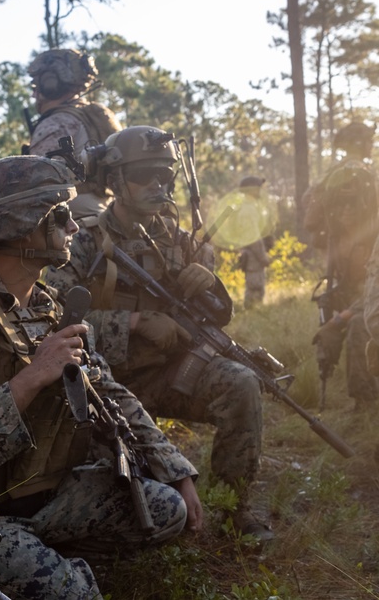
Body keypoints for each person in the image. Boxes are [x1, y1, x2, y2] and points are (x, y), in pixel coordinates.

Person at [0, 155, 201, 599]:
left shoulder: (54, 307)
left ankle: (41, 558)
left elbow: (109, 393)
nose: (75, 228)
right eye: (60, 216)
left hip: (53, 494)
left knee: (167, 510)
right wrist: (32, 377)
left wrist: (176, 470)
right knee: (75, 594)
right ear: (21, 224)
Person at [45, 125, 274, 541]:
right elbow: (49, 316)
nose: (157, 185)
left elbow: (213, 317)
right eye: (144, 175)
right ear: (114, 181)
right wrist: (131, 323)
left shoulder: (182, 243)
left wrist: (211, 286)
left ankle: (232, 507)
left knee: (241, 382)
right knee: (108, 478)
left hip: (167, 375)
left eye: (165, 176)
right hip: (105, 385)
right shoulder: (83, 242)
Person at [304, 121, 379, 412]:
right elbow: (314, 223)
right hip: (353, 270)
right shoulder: (362, 176)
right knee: (355, 326)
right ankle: (362, 400)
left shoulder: (331, 178)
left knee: (357, 324)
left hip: (355, 270)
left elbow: (311, 222)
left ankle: (364, 400)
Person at [26, 48, 123, 220]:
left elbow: (41, 186)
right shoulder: (95, 116)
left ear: (51, 84)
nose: (34, 94)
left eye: (37, 86)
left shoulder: (56, 122)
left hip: (72, 222)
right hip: (108, 213)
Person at [236, 176, 274, 308]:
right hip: (253, 256)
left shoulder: (252, 208)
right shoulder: (248, 210)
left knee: (256, 289)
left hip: (254, 255)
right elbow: (253, 238)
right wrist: (263, 257)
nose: (260, 191)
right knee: (255, 290)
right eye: (258, 188)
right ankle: (251, 318)